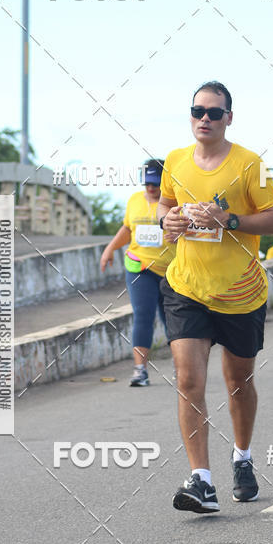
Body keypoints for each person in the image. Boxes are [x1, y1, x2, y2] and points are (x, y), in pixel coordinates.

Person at [157, 81, 273, 514]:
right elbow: (164, 208)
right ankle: (201, 481)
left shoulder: (251, 164)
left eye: (214, 112)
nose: (204, 119)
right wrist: (168, 220)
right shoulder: (174, 160)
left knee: (238, 381)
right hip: (186, 286)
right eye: (197, 111)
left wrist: (228, 217)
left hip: (239, 292)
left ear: (229, 117)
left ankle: (243, 457)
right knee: (189, 379)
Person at [100, 160, 175, 386]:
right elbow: (127, 228)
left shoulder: (175, 203)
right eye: (147, 183)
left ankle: (182, 368)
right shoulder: (134, 200)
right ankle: (140, 370)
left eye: (155, 183)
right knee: (143, 315)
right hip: (139, 267)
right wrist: (110, 248)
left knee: (171, 319)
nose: (150, 188)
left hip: (171, 270)